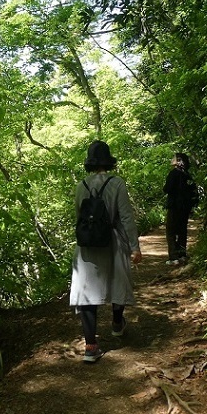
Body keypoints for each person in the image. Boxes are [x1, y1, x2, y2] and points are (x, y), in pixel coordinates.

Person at [69, 140, 142, 363]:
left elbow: (78, 216)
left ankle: (91, 346)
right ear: (108, 161)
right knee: (117, 281)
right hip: (112, 240)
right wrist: (134, 246)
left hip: (87, 244)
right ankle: (117, 323)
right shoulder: (117, 183)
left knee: (87, 291)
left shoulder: (80, 185)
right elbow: (126, 217)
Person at [164, 153, 198, 265]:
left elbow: (167, 188)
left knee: (171, 232)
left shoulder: (174, 173)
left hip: (174, 206)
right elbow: (194, 191)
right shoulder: (187, 175)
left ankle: (173, 257)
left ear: (178, 161)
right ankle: (182, 255)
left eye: (174, 158)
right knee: (182, 230)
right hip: (185, 207)